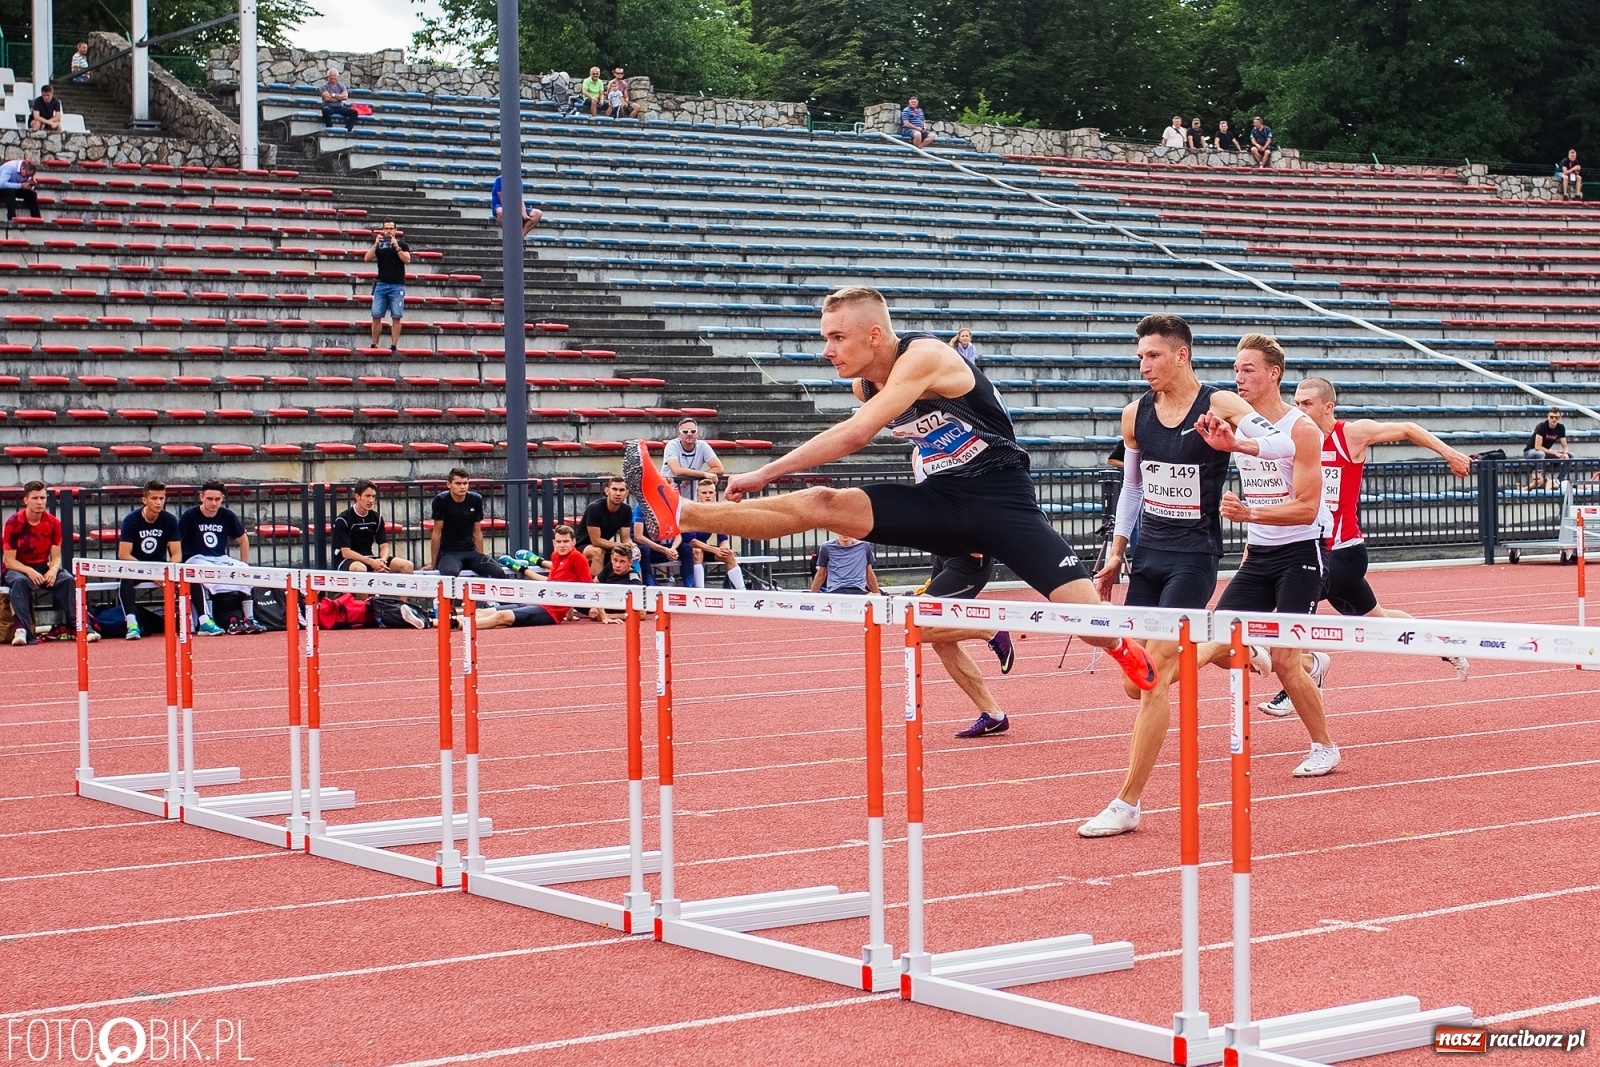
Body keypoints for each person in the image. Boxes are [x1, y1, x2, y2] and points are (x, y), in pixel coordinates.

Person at [623, 285, 1159, 694]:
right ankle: (683, 514)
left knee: (1091, 624)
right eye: (824, 338)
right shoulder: (867, 381)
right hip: (942, 503)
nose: (826, 350)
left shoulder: (924, 357)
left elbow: (855, 433)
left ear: (874, 335)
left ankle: (1121, 648)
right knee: (824, 504)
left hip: (1003, 505)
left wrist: (765, 472)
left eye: (837, 338)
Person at [1079, 315, 1299, 837]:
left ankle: (1128, 802)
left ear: (1181, 355)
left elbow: (1285, 445)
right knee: (1134, 684)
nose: (1143, 366)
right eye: (1139, 357)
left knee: (1154, 676)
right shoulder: (1135, 413)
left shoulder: (1220, 404)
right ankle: (1233, 646)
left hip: (1193, 558)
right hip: (1147, 558)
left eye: (1152, 356)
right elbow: (1132, 489)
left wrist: (1236, 445)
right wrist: (1116, 553)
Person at [1248, 377, 1476, 715]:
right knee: (1378, 622)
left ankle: (1308, 668)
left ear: (1328, 407)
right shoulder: (1296, 440)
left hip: (1344, 552)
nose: (1299, 410)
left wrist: (1450, 453)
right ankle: (1440, 639)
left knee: (1291, 607)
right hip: (1310, 547)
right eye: (1296, 403)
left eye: (1307, 404)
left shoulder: (1350, 435)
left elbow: (1409, 428)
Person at [1195, 335, 1339, 773]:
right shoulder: (1238, 425)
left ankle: (1324, 746)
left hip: (1301, 552)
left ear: (1274, 374)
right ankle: (1260, 655)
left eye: (1249, 370)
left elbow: (1306, 508)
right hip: (1258, 553)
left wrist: (1250, 512)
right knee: (1217, 641)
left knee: (1285, 661)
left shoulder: (1302, 429)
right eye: (1236, 370)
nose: (1239, 378)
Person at [917, 553, 1018, 738]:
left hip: (967, 561)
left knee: (921, 628)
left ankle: (988, 629)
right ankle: (993, 715)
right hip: (944, 555)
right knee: (941, 642)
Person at [4, 481, 95, 645]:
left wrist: (53, 570)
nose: (39, 502)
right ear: (26, 500)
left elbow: (56, 556)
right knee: (19, 582)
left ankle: (82, 627)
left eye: (42, 498)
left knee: (67, 579)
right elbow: (9, 561)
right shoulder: (14, 522)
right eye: (35, 498)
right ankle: (22, 630)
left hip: (42, 566)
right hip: (19, 568)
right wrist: (29, 571)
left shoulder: (53, 523)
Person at [178, 480, 266, 635]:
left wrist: (243, 564)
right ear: (201, 497)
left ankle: (249, 618)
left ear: (222, 499)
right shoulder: (190, 516)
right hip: (195, 558)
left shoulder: (226, 515)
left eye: (217, 499)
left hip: (220, 557)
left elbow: (243, 539)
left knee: (245, 570)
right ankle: (205, 620)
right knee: (200, 571)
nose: (213, 503)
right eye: (210, 499)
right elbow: (176, 542)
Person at [473, 525, 597, 629]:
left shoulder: (577, 557)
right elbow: (555, 583)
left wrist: (599, 610)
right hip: (538, 601)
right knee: (480, 612)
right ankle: (455, 623)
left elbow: (588, 585)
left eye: (566, 541)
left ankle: (461, 625)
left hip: (550, 611)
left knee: (501, 616)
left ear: (574, 542)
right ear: (553, 543)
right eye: (559, 542)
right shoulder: (555, 555)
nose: (562, 545)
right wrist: (569, 615)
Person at [116, 479, 182, 640]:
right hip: (137, 566)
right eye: (154, 498)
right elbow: (124, 554)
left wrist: (168, 571)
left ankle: (198, 621)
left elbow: (177, 553)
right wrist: (150, 572)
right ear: (144, 500)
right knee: (126, 577)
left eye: (162, 498)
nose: (159, 502)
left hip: (160, 567)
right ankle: (132, 624)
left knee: (188, 577)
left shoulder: (170, 520)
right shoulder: (131, 520)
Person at [429, 468, 510, 579]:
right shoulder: (441, 500)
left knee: (498, 572)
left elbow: (477, 531)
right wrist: (433, 563)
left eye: (465, 483)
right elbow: (437, 532)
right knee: (450, 574)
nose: (462, 487)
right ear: (449, 484)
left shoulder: (475, 499)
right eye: (458, 483)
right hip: (449, 552)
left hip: (470, 551)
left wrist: (481, 556)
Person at [333, 479, 414, 574]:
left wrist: (383, 561)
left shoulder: (377, 517)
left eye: (373, 496)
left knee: (407, 565)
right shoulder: (343, 519)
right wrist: (371, 562)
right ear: (357, 496)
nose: (371, 500)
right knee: (360, 568)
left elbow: (384, 546)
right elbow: (346, 552)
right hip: (346, 560)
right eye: (367, 496)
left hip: (369, 558)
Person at [680, 480, 747, 589]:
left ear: (715, 495)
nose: (708, 496)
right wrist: (714, 550)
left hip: (705, 549)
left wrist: (724, 549)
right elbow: (692, 541)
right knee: (697, 551)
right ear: (698, 495)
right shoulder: (690, 511)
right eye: (704, 493)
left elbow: (723, 538)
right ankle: (700, 592)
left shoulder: (717, 513)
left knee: (728, 554)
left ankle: (742, 591)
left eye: (710, 493)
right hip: (684, 549)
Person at [365, 219, 410, 351]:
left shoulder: (402, 245)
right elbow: (367, 258)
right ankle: (374, 343)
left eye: (391, 228)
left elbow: (407, 260)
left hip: (397, 285)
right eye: (386, 228)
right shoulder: (380, 246)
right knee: (376, 315)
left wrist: (397, 247)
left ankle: (394, 345)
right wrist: (375, 245)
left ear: (396, 230)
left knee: (396, 316)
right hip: (381, 284)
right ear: (383, 230)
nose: (388, 231)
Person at [575, 476, 634, 576]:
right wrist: (620, 545)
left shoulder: (627, 510)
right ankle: (597, 588)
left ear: (626, 493)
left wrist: (632, 547)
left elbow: (626, 538)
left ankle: (637, 584)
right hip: (582, 546)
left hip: (605, 546)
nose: (618, 493)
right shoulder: (594, 508)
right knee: (597, 551)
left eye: (621, 490)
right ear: (607, 491)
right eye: (614, 489)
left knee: (635, 553)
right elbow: (596, 541)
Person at [662, 418, 724, 496]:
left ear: (697, 433)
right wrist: (702, 474)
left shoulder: (702, 445)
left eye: (693, 431)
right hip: (669, 493)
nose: (689, 434)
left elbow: (719, 468)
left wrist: (691, 476)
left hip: (690, 496)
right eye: (685, 431)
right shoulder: (672, 445)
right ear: (679, 434)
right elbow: (676, 470)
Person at [811, 534, 879, 595]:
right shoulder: (826, 547)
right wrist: (811, 597)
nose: (845, 533)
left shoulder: (864, 546)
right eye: (841, 530)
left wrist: (878, 595)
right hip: (836, 590)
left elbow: (869, 573)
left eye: (848, 530)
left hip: (858, 590)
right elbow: (821, 574)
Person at [632, 501, 680, 585]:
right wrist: (664, 550)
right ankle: (650, 585)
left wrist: (673, 549)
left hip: (657, 550)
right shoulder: (641, 507)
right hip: (642, 552)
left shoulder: (669, 506)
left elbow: (678, 535)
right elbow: (638, 537)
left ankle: (690, 588)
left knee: (686, 548)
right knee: (644, 549)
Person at [1523, 408, 1570, 489]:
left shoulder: (1561, 428)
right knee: (1541, 454)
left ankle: (1559, 481)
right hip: (1530, 452)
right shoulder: (1542, 426)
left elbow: (1565, 446)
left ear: (1560, 418)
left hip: (1544, 452)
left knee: (1570, 456)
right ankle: (1539, 481)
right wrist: (1555, 453)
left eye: (1556, 418)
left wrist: (1565, 453)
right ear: (1548, 416)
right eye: (1551, 417)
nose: (1554, 420)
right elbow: (1537, 447)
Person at [596, 545, 644, 623]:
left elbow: (641, 614)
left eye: (622, 561)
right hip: (603, 602)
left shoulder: (633, 579)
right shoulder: (610, 566)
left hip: (618, 607)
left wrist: (607, 616)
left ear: (630, 562)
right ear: (611, 558)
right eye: (615, 560)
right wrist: (594, 605)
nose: (617, 565)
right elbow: (594, 585)